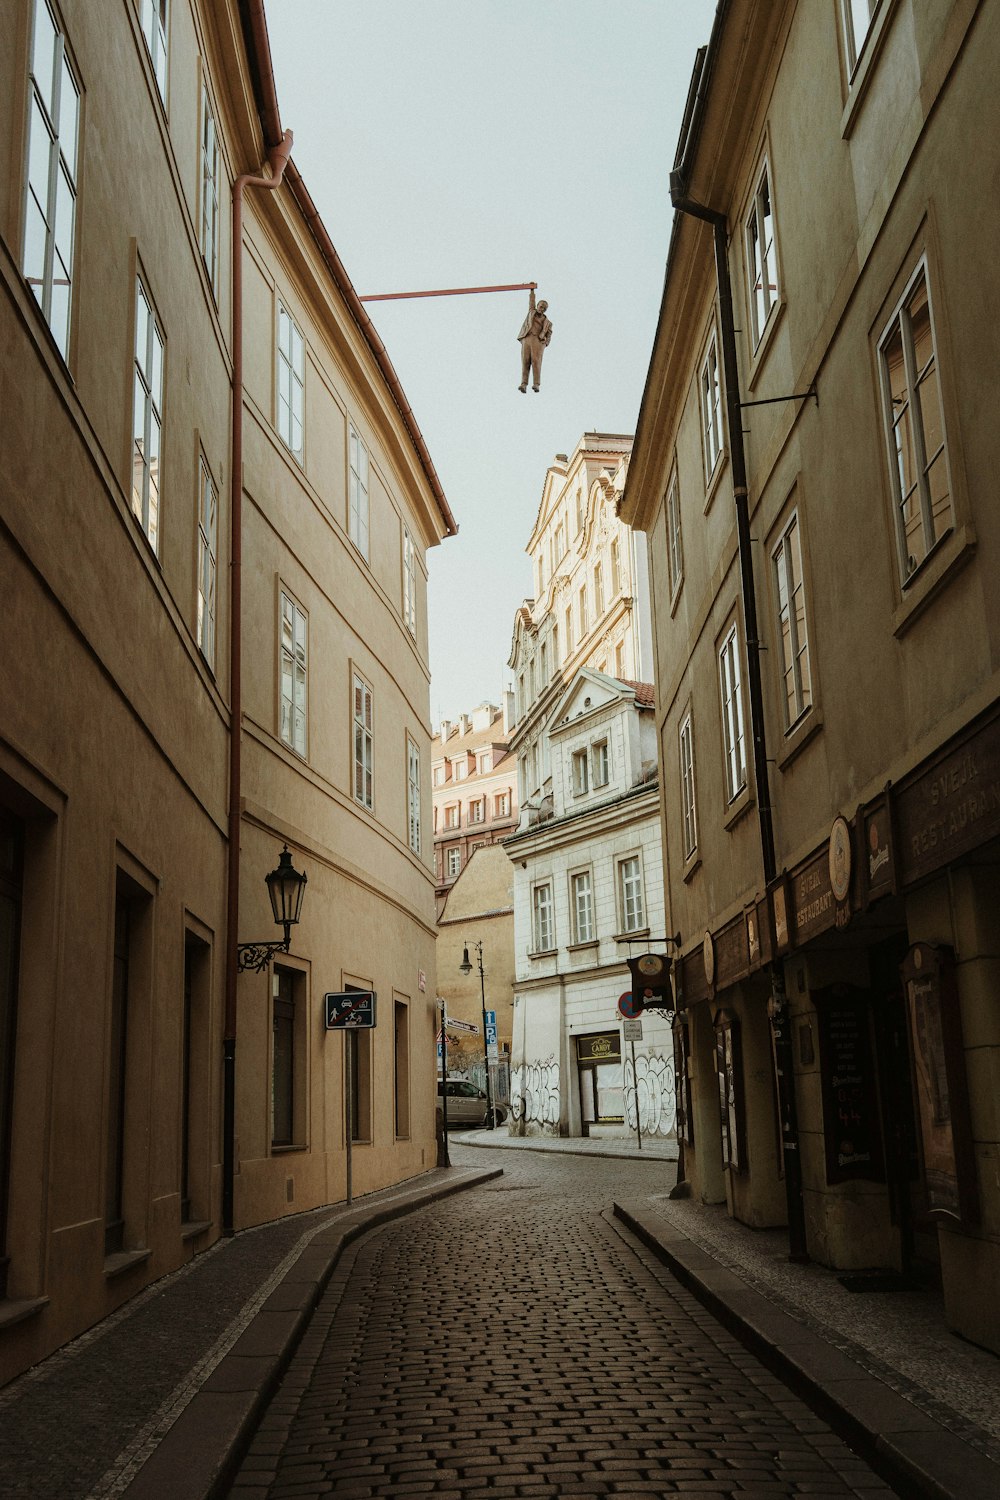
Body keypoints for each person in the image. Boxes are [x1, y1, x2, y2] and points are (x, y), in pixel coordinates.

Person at [517, 287, 552, 392]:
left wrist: (545, 342)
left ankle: (536, 384)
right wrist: (532, 291)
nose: (542, 309)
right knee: (525, 361)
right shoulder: (531, 312)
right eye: (541, 306)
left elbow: (549, 334)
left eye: (544, 308)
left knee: (536, 362)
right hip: (527, 338)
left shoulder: (548, 322)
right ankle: (523, 384)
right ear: (537, 306)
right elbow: (531, 301)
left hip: (538, 342)